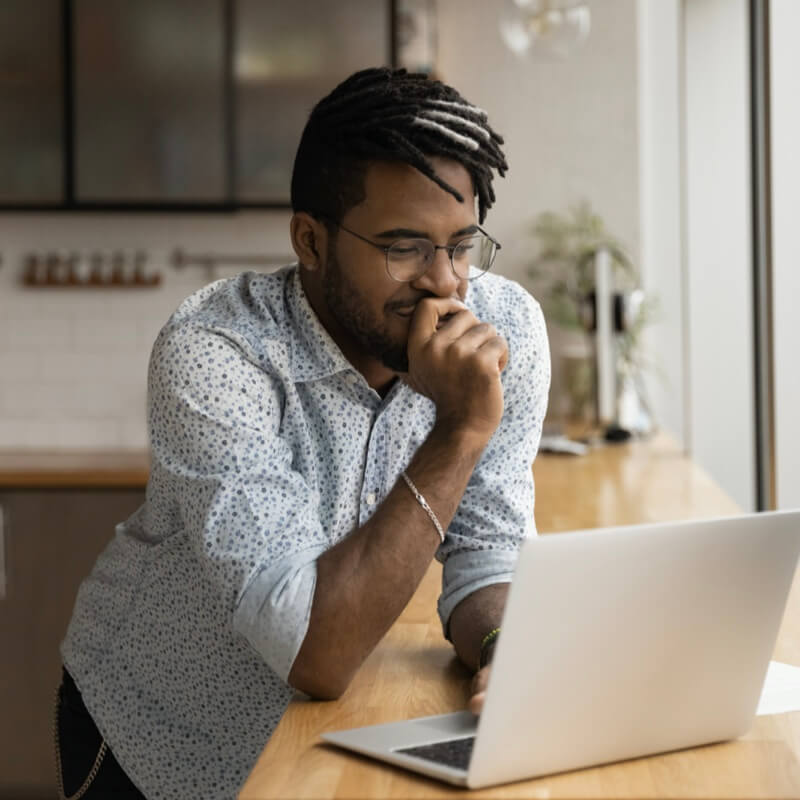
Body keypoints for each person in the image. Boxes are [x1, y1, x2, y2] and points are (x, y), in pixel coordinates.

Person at [56, 67, 550, 800]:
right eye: (405, 247)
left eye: (461, 245)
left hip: (314, 747)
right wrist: (461, 430)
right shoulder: (218, 351)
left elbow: (488, 549)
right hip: (156, 738)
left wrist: (504, 651)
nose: (445, 282)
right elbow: (315, 651)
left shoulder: (506, 328)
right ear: (310, 241)